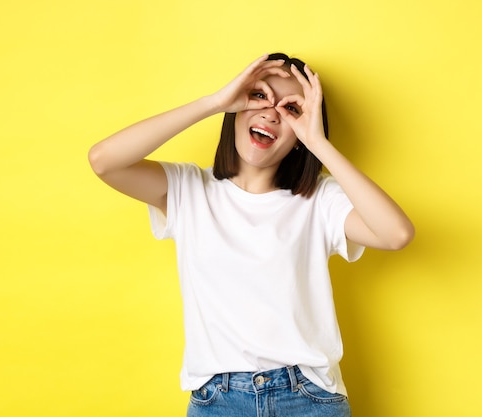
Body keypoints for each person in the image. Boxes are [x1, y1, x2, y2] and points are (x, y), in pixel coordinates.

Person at [88, 52, 414, 417]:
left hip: (307, 398)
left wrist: (318, 143)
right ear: (237, 109)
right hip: (218, 400)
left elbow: (396, 233)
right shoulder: (190, 189)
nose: (271, 112)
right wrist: (214, 102)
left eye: (291, 108)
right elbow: (104, 160)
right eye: (259, 96)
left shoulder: (320, 199)